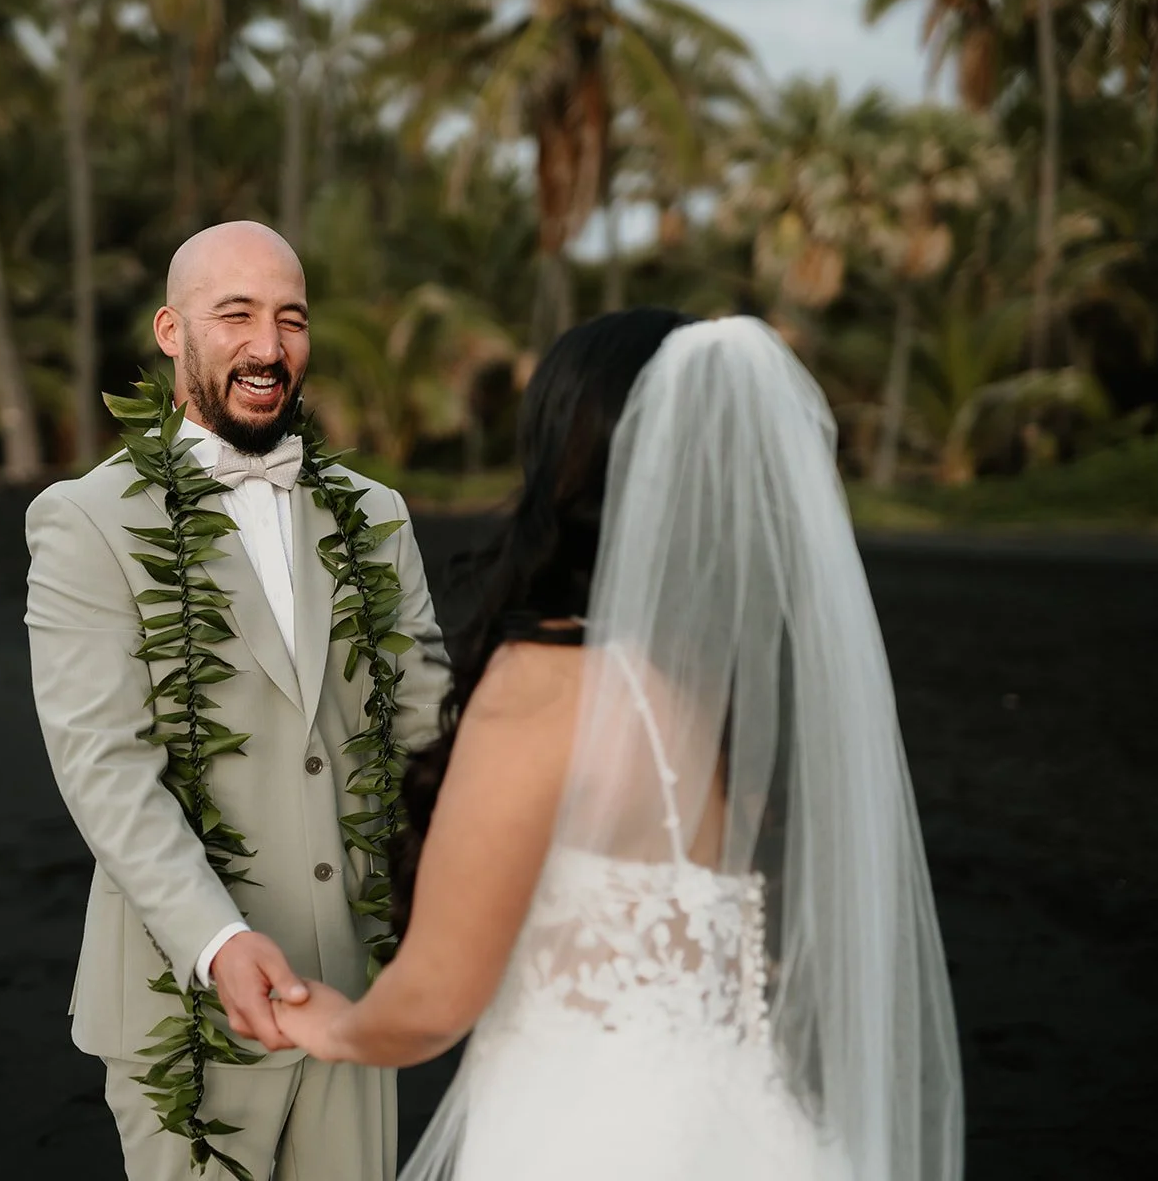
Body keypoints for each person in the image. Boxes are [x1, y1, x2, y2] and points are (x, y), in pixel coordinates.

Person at [272, 310, 965, 1181]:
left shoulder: (551, 683)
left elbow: (436, 1000)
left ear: (565, 462)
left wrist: (329, 1026)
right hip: (758, 1134)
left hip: (591, 1138)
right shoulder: (737, 690)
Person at [24, 220, 450, 1180]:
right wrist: (216, 943)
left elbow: (430, 735)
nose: (269, 346)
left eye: (291, 319)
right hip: (185, 1019)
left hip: (349, 999)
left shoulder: (377, 516)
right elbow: (104, 769)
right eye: (237, 315)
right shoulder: (86, 520)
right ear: (172, 331)